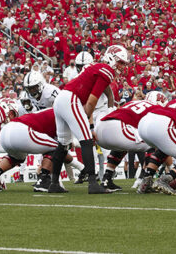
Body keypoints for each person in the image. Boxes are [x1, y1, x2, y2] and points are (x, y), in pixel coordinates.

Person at [47, 45, 129, 194]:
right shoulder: (106, 71)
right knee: (86, 139)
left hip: (62, 98)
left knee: (63, 143)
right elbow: (91, 101)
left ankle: (53, 183)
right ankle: (92, 182)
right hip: (71, 99)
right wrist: (86, 124)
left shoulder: (97, 68)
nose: (122, 67)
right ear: (111, 58)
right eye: (121, 62)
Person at [0, 108, 83, 192]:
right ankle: (43, 181)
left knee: (17, 157)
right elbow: (63, 147)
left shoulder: (53, 112)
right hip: (21, 130)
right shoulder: (65, 115)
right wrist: (81, 167)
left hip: (5, 131)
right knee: (58, 148)